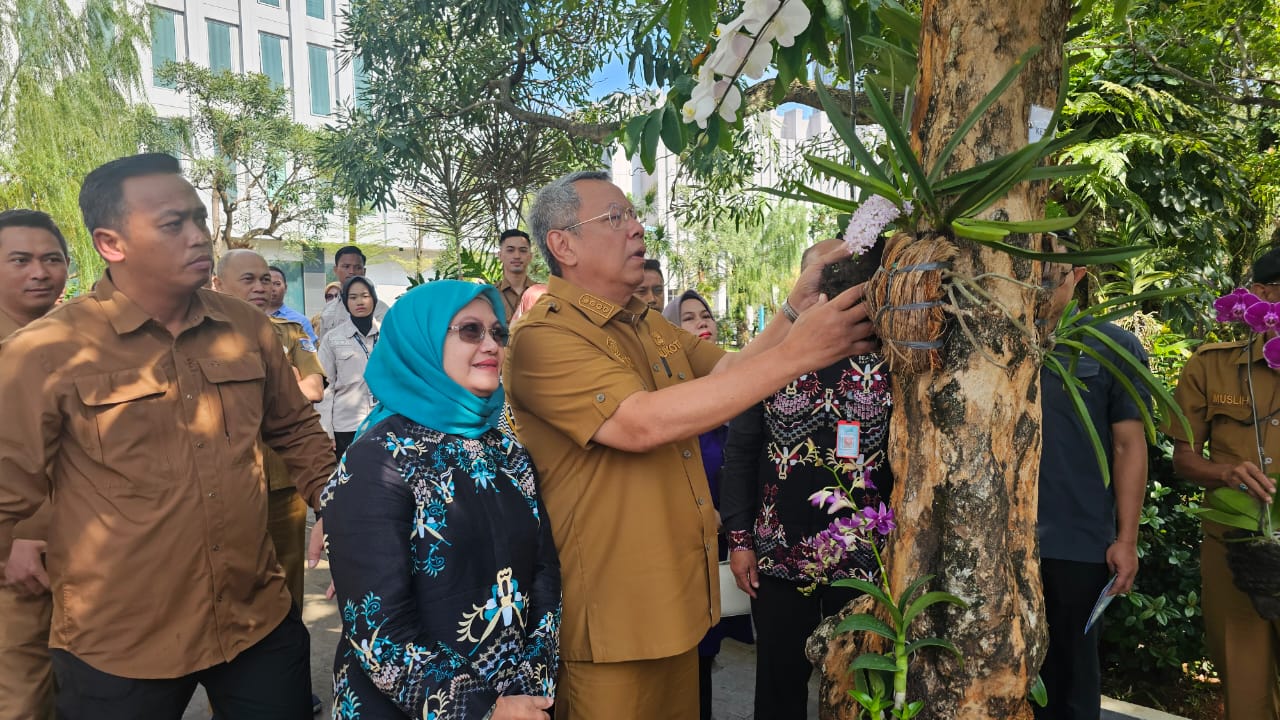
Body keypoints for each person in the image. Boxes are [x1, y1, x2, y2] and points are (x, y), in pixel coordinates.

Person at [503, 170, 875, 720]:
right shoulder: (543, 338)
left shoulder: (644, 323)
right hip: (613, 617)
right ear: (563, 245)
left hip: (675, 605)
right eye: (615, 218)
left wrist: (796, 309)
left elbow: (730, 369)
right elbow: (639, 423)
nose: (636, 228)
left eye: (633, 215)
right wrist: (801, 354)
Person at [0, 152, 335, 718]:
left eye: (199, 219)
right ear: (112, 243)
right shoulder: (44, 353)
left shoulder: (246, 327)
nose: (199, 237)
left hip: (254, 619)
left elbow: (297, 432)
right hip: (120, 643)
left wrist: (344, 508)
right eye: (172, 224)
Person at [323, 280, 560, 720]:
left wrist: (532, 683)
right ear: (423, 341)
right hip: (408, 706)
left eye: (498, 332)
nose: (490, 343)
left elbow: (544, 570)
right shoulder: (376, 460)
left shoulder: (506, 449)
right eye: (470, 330)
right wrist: (483, 710)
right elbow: (380, 631)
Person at [720, 238, 893, 720]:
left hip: (866, 554)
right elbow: (740, 452)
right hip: (779, 551)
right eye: (826, 275)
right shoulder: (772, 360)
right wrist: (739, 539)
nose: (839, 286)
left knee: (862, 682)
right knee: (779, 681)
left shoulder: (891, 357)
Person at [212, 248, 327, 715]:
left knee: (286, 593)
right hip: (222, 486)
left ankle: (288, 686)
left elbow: (312, 389)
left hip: (281, 480)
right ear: (218, 285)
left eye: (266, 279)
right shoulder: (198, 339)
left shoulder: (292, 333)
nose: (261, 287)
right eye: (248, 279)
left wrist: (249, 394)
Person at [1167, 247, 1280, 720]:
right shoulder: (1211, 366)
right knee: (1246, 689)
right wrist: (1225, 472)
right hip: (1236, 550)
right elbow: (1184, 459)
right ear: (1260, 295)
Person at [1034, 264, 1150, 720]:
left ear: (1077, 274)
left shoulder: (1111, 345)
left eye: (1051, 273)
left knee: (1072, 680)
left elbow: (1129, 444)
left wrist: (1126, 539)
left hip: (1078, 544)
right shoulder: (990, 339)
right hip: (998, 543)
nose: (1039, 283)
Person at [661, 289, 753, 720]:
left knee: (708, 650)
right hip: (684, 546)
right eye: (688, 318)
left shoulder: (732, 389)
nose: (702, 324)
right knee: (689, 655)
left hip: (724, 538)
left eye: (706, 315)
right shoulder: (669, 398)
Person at [0, 209, 69, 720]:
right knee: (23, 698)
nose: (39, 272)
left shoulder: (85, 343)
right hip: (16, 563)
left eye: (52, 259)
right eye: (20, 260)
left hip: (97, 555)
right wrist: (18, 534)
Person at [319, 275, 380, 460]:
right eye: (353, 297)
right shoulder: (332, 339)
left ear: (374, 299)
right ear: (346, 302)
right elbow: (325, 388)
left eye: (365, 295)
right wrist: (326, 431)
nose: (359, 302)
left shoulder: (387, 336)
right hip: (346, 425)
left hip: (383, 421)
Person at [316, 245, 387, 338]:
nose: (352, 272)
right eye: (346, 266)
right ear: (335, 270)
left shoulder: (380, 309)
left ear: (364, 271)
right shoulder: (328, 309)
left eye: (357, 267)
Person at [267, 264, 319, 345]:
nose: (272, 288)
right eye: (267, 283)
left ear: (286, 288)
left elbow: (310, 354)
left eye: (277, 284)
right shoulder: (250, 318)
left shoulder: (300, 321)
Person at [498, 229, 534, 321]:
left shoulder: (542, 294)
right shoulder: (490, 295)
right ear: (500, 255)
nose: (517, 256)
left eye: (523, 251)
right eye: (510, 250)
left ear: (530, 256)